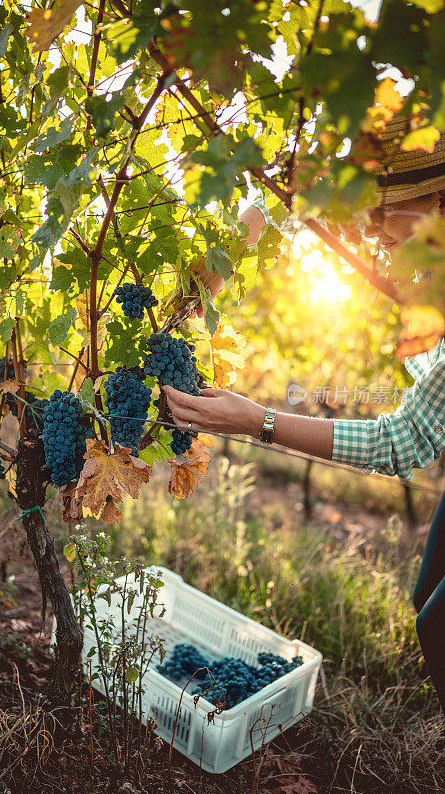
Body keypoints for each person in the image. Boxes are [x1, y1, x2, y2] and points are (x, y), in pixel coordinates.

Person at [164, 116, 445, 710]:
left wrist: (257, 421)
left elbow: (404, 443)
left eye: (390, 225)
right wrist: (192, 296)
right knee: (428, 600)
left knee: (438, 627)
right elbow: (285, 194)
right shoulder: (424, 246)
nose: (382, 246)